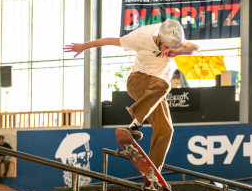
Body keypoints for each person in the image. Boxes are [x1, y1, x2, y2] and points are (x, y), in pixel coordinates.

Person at [64, 19, 198, 171]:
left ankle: (153, 171)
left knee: (166, 129)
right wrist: (83, 46)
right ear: (160, 39)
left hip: (155, 92)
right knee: (165, 85)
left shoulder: (174, 39)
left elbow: (195, 48)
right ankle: (135, 124)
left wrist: (179, 51)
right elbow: (110, 41)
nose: (169, 52)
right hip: (137, 82)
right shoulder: (141, 36)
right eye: (166, 47)